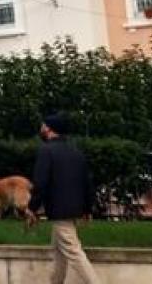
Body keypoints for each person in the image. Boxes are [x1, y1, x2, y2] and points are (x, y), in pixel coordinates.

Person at [32, 112, 100, 284]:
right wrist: (87, 208)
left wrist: (31, 208)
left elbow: (40, 183)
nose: (41, 128)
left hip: (59, 210)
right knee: (59, 254)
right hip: (74, 208)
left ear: (48, 129)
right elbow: (87, 182)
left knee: (73, 251)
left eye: (43, 125)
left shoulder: (46, 151)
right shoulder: (76, 152)